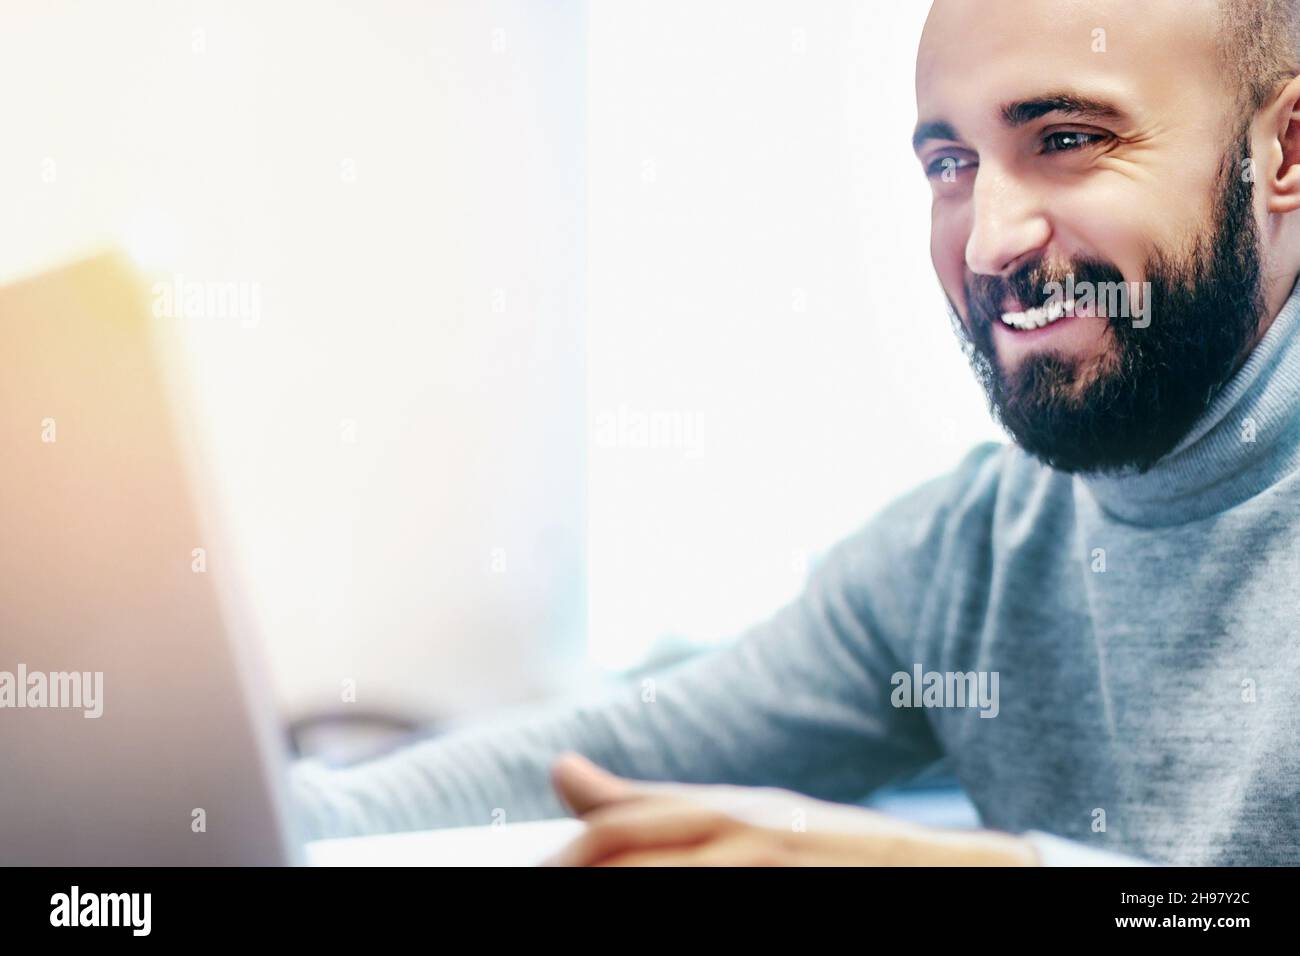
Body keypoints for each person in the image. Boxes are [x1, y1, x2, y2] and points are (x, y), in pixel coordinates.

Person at [292, 0, 1300, 865]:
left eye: (1068, 138)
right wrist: (250, 821)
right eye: (950, 164)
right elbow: (620, 749)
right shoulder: (973, 549)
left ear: (1283, 152)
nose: (989, 240)